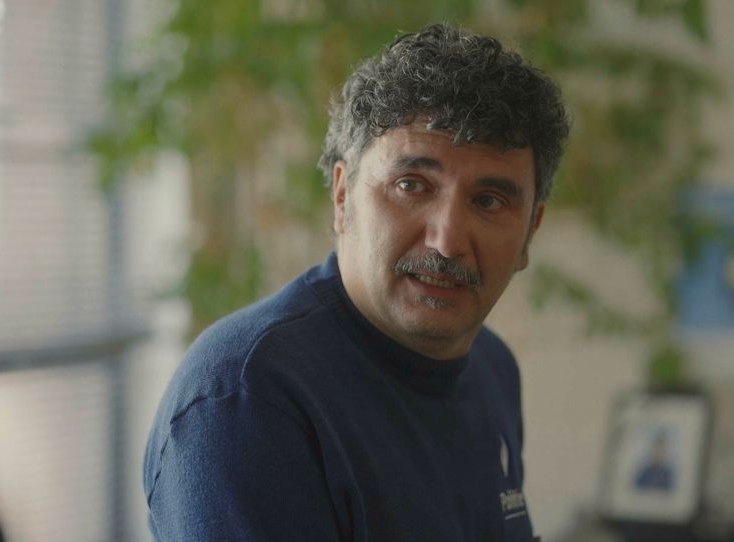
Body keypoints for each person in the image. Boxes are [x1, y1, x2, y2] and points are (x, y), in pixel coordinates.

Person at [144, 23, 569, 542]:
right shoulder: (246, 399)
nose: (446, 241)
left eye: (489, 201)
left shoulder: (492, 367)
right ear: (343, 196)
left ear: (529, 232)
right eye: (411, 185)